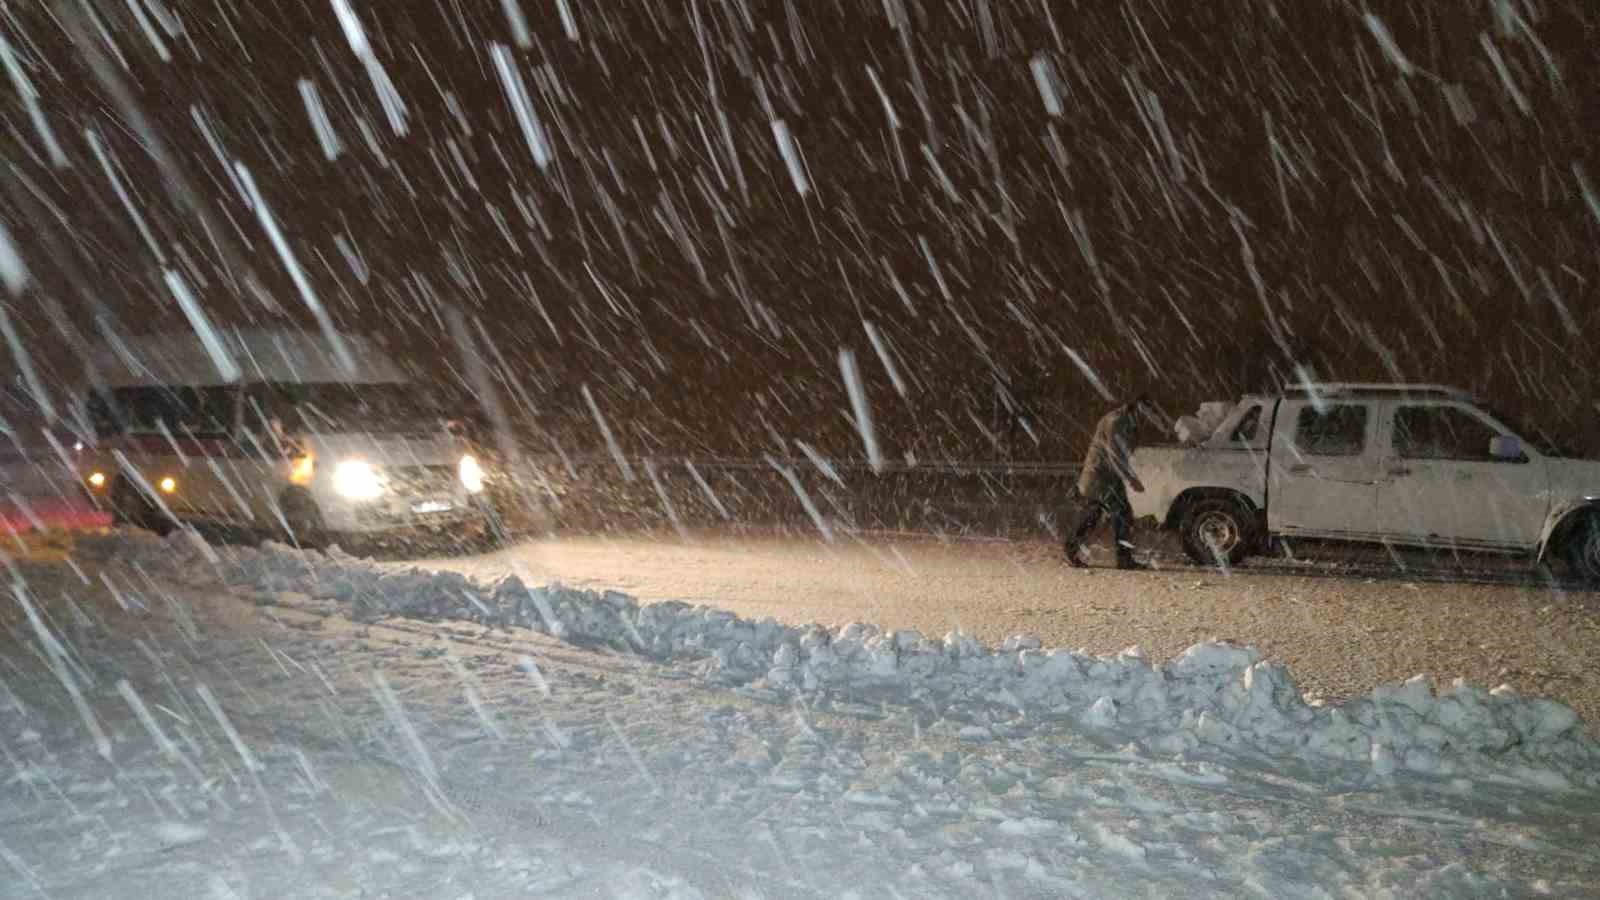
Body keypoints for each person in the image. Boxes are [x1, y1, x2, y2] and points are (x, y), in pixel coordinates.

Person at [1064, 395, 1151, 570]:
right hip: (1101, 476)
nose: (1147, 417)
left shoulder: (1127, 420)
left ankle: (1072, 546)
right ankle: (1123, 558)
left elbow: (1125, 451)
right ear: (1136, 407)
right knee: (1120, 513)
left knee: (1097, 513)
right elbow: (1115, 454)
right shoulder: (1116, 421)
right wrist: (1131, 478)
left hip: (1108, 476)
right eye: (1146, 412)